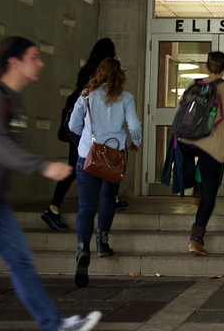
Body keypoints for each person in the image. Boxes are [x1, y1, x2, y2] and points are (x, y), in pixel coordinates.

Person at [0, 36, 102, 331]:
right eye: (34, 57)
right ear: (14, 62)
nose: (40, 63)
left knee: (21, 260)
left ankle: (55, 325)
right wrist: (42, 166)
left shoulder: (14, 99)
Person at [69, 58, 141, 288]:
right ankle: (102, 243)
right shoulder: (126, 98)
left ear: (100, 73)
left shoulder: (86, 95)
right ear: (120, 74)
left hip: (87, 156)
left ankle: (83, 247)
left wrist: (85, 136)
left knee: (86, 207)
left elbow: (72, 125)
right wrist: (135, 142)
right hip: (113, 157)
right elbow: (135, 126)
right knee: (108, 198)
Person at [41, 38, 127, 232]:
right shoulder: (105, 72)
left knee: (78, 165)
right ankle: (54, 208)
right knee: (108, 156)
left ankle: (54, 208)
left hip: (81, 126)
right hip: (88, 128)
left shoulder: (87, 70)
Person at [177, 51, 224, 256]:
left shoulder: (192, 84)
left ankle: (195, 186)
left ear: (207, 67)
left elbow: (180, 111)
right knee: (210, 194)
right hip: (211, 145)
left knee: (198, 160)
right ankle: (196, 239)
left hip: (187, 142)